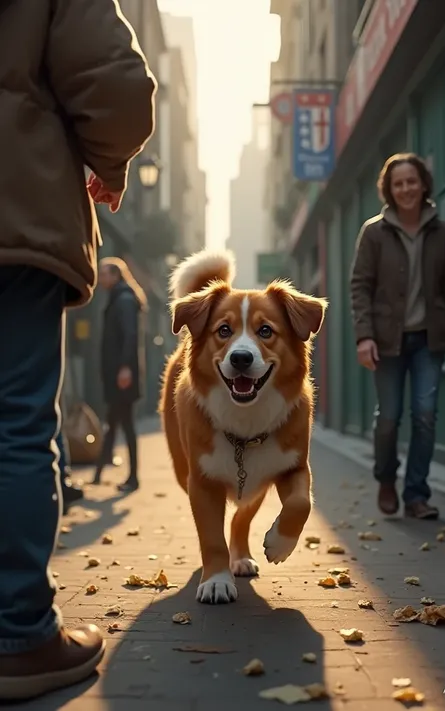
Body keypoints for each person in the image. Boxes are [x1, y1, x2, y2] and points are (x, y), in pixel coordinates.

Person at [0, 0, 156, 701]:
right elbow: (117, 89)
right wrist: (109, 163)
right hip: (15, 216)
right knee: (16, 425)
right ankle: (18, 636)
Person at [350, 152, 445, 520]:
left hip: (428, 341)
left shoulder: (441, 232)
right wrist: (363, 336)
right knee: (389, 417)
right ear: (389, 188)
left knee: (425, 415)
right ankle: (387, 478)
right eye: (398, 183)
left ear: (423, 184)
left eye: (411, 181)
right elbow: (360, 287)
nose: (406, 189)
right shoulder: (374, 232)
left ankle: (416, 494)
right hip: (386, 342)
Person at [92, 258, 148, 492]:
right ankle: (98, 473)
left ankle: (133, 478)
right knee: (114, 422)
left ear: (115, 276)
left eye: (104, 274)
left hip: (122, 375)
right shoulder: (118, 298)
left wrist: (125, 368)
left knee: (124, 424)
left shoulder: (123, 300)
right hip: (117, 373)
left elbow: (130, 335)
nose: (100, 279)